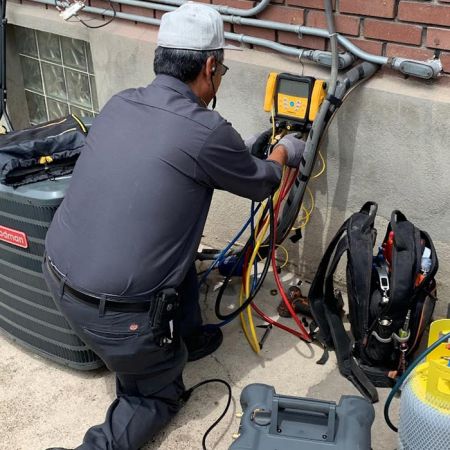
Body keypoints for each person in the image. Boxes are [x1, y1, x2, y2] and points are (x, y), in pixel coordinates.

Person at [43, 3, 305, 450]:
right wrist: (285, 152)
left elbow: (181, 157)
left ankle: (180, 337)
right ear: (209, 66)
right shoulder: (207, 131)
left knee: (180, 256)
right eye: (221, 69)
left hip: (57, 275)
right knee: (156, 398)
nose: (219, 77)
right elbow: (262, 182)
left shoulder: (121, 101)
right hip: (117, 316)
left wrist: (234, 152)